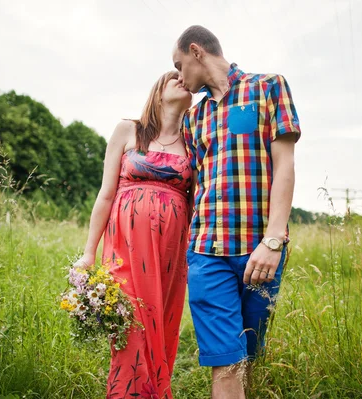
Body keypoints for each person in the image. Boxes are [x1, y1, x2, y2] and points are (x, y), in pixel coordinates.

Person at [172, 25, 301, 398]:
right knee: (225, 363)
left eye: (180, 65)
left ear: (196, 51)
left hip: (259, 250)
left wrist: (273, 240)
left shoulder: (268, 87)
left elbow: (286, 165)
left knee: (247, 356)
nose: (180, 76)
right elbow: (195, 186)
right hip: (206, 252)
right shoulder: (193, 119)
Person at [74, 70, 193, 399]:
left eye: (187, 77)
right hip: (124, 247)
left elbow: (196, 201)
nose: (183, 79)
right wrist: (88, 253)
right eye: (174, 77)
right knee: (131, 326)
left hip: (169, 252)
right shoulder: (129, 130)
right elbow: (106, 195)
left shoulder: (194, 142)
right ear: (158, 91)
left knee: (160, 326)